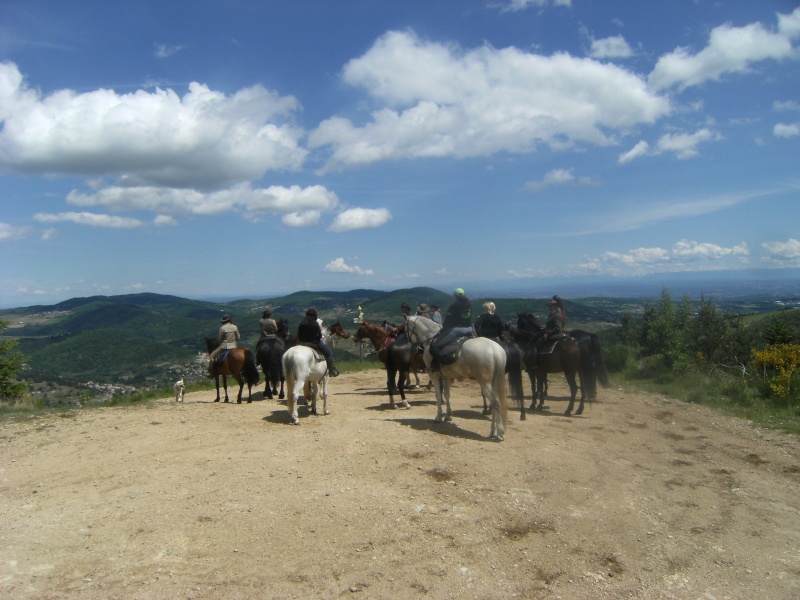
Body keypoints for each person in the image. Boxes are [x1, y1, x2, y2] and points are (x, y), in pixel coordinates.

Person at [297, 307, 339, 377]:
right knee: (329, 353)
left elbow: (299, 335)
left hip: (302, 343)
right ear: (314, 315)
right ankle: (331, 371)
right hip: (314, 343)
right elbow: (319, 335)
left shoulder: (302, 323)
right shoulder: (315, 323)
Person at [529, 298, 566, 366]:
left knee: (536, 345)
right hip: (551, 332)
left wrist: (548, 333)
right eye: (550, 305)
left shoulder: (556, 315)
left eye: (553, 305)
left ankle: (533, 363)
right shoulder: (551, 315)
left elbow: (558, 328)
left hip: (554, 334)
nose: (551, 307)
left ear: (556, 306)